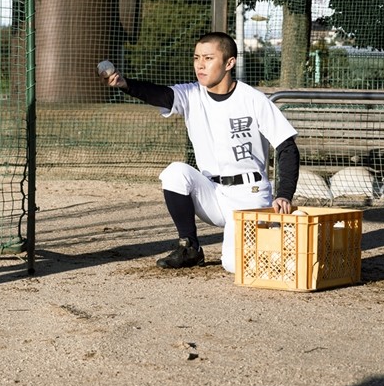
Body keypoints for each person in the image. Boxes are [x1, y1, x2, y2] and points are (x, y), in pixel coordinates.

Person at [99, 32, 300, 272]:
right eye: (196, 58)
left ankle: (276, 240)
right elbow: (160, 94)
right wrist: (126, 84)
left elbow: (287, 146)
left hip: (250, 196)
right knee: (175, 173)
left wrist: (284, 194)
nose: (200, 65)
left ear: (229, 63)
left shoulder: (253, 99)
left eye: (208, 58)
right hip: (212, 193)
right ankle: (190, 247)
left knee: (235, 265)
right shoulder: (191, 94)